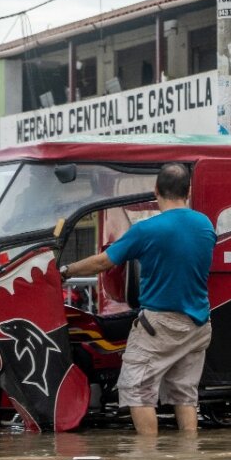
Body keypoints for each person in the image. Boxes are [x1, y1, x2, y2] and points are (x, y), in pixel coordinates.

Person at [61, 162, 216, 435]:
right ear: (188, 190)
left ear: (156, 190)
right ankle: (188, 458)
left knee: (137, 390)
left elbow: (102, 262)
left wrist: (65, 271)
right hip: (199, 324)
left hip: (160, 325)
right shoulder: (204, 225)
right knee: (184, 394)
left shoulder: (147, 230)